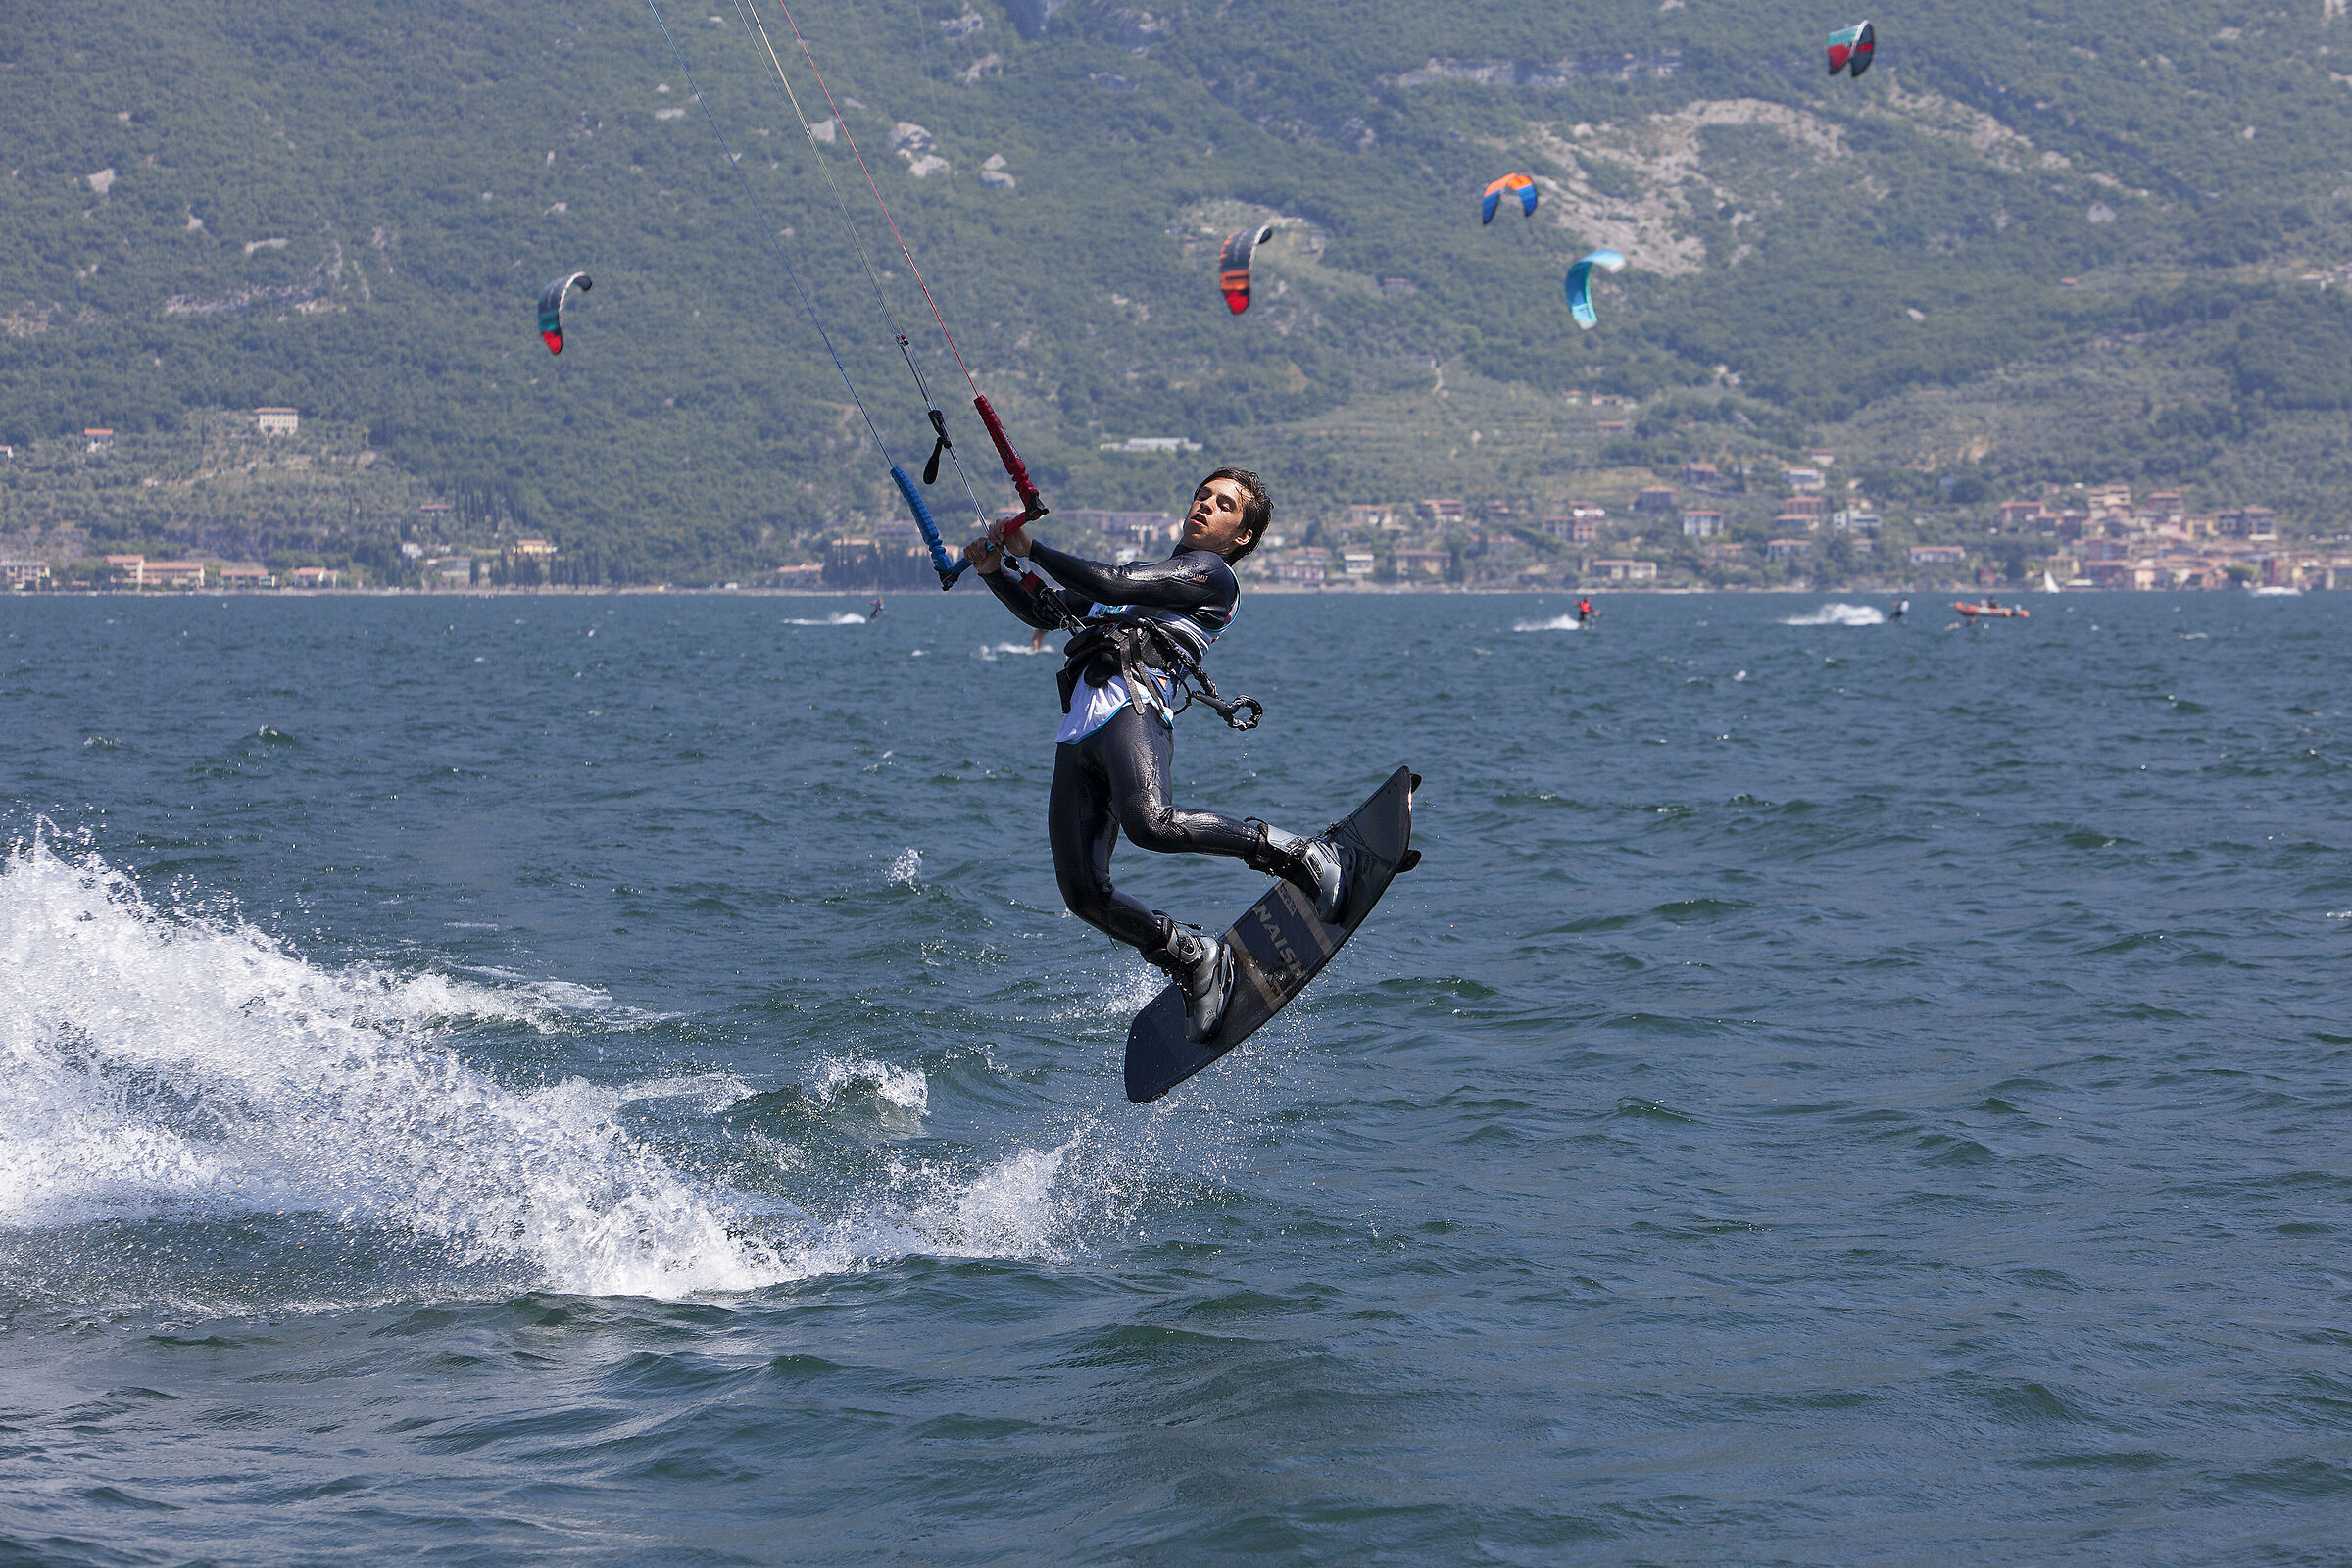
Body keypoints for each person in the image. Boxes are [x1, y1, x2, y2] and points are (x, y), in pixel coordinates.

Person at [963, 467, 1346, 1042]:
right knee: (1083, 892)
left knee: (1152, 824)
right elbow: (1050, 611)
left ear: (1238, 536)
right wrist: (996, 572)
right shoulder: (1151, 576)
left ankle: (1287, 849)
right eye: (1202, 496)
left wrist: (1033, 548)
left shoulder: (1210, 575)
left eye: (1223, 505)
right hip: (1080, 727)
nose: (1205, 506)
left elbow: (1116, 582)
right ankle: (1191, 955)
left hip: (1132, 706)